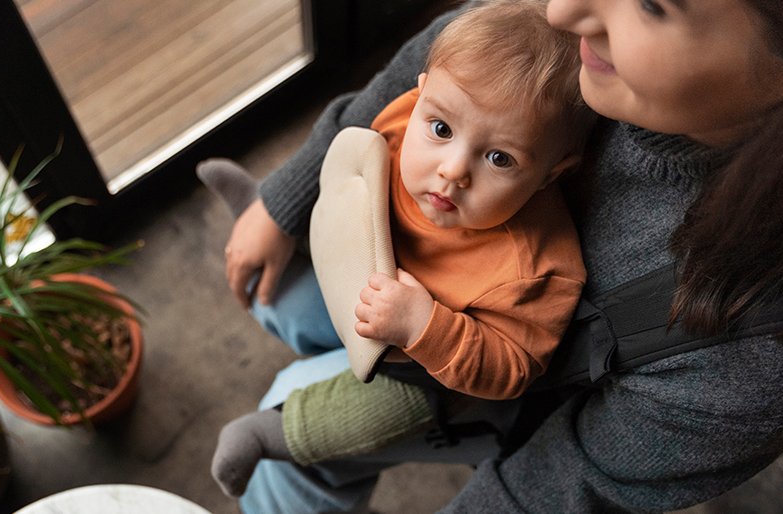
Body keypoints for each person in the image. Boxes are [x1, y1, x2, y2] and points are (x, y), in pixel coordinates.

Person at [211, 0, 783, 511]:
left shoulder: (778, 339)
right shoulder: (582, 30)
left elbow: (566, 481)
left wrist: (421, 334)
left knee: (291, 416)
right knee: (284, 297)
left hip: (486, 380)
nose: (560, 11)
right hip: (399, 267)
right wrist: (286, 199)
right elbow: (445, 57)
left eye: (651, 4)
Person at [201, 0, 593, 498]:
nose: (453, 169)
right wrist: (285, 210)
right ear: (420, 92)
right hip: (361, 264)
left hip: (426, 375)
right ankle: (265, 225)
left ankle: (270, 433)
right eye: (442, 129)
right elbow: (348, 163)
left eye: (499, 158)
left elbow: (510, 369)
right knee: (282, 292)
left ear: (551, 174)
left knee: (365, 415)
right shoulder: (407, 116)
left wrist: (424, 327)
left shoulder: (536, 270)